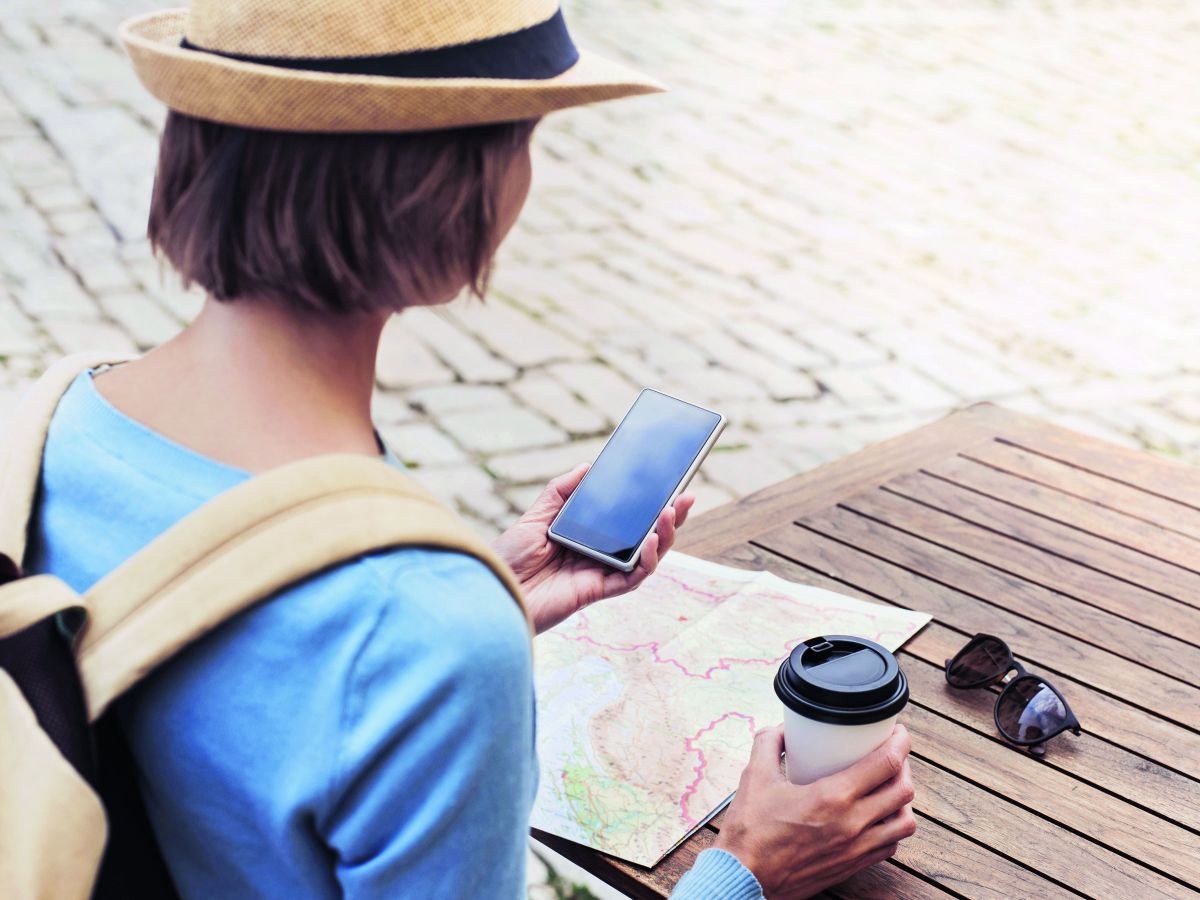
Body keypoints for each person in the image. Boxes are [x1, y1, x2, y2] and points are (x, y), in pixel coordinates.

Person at [26, 0, 916, 896]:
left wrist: (477, 595)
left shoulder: (45, 423)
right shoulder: (429, 636)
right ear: (461, 185)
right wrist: (749, 870)